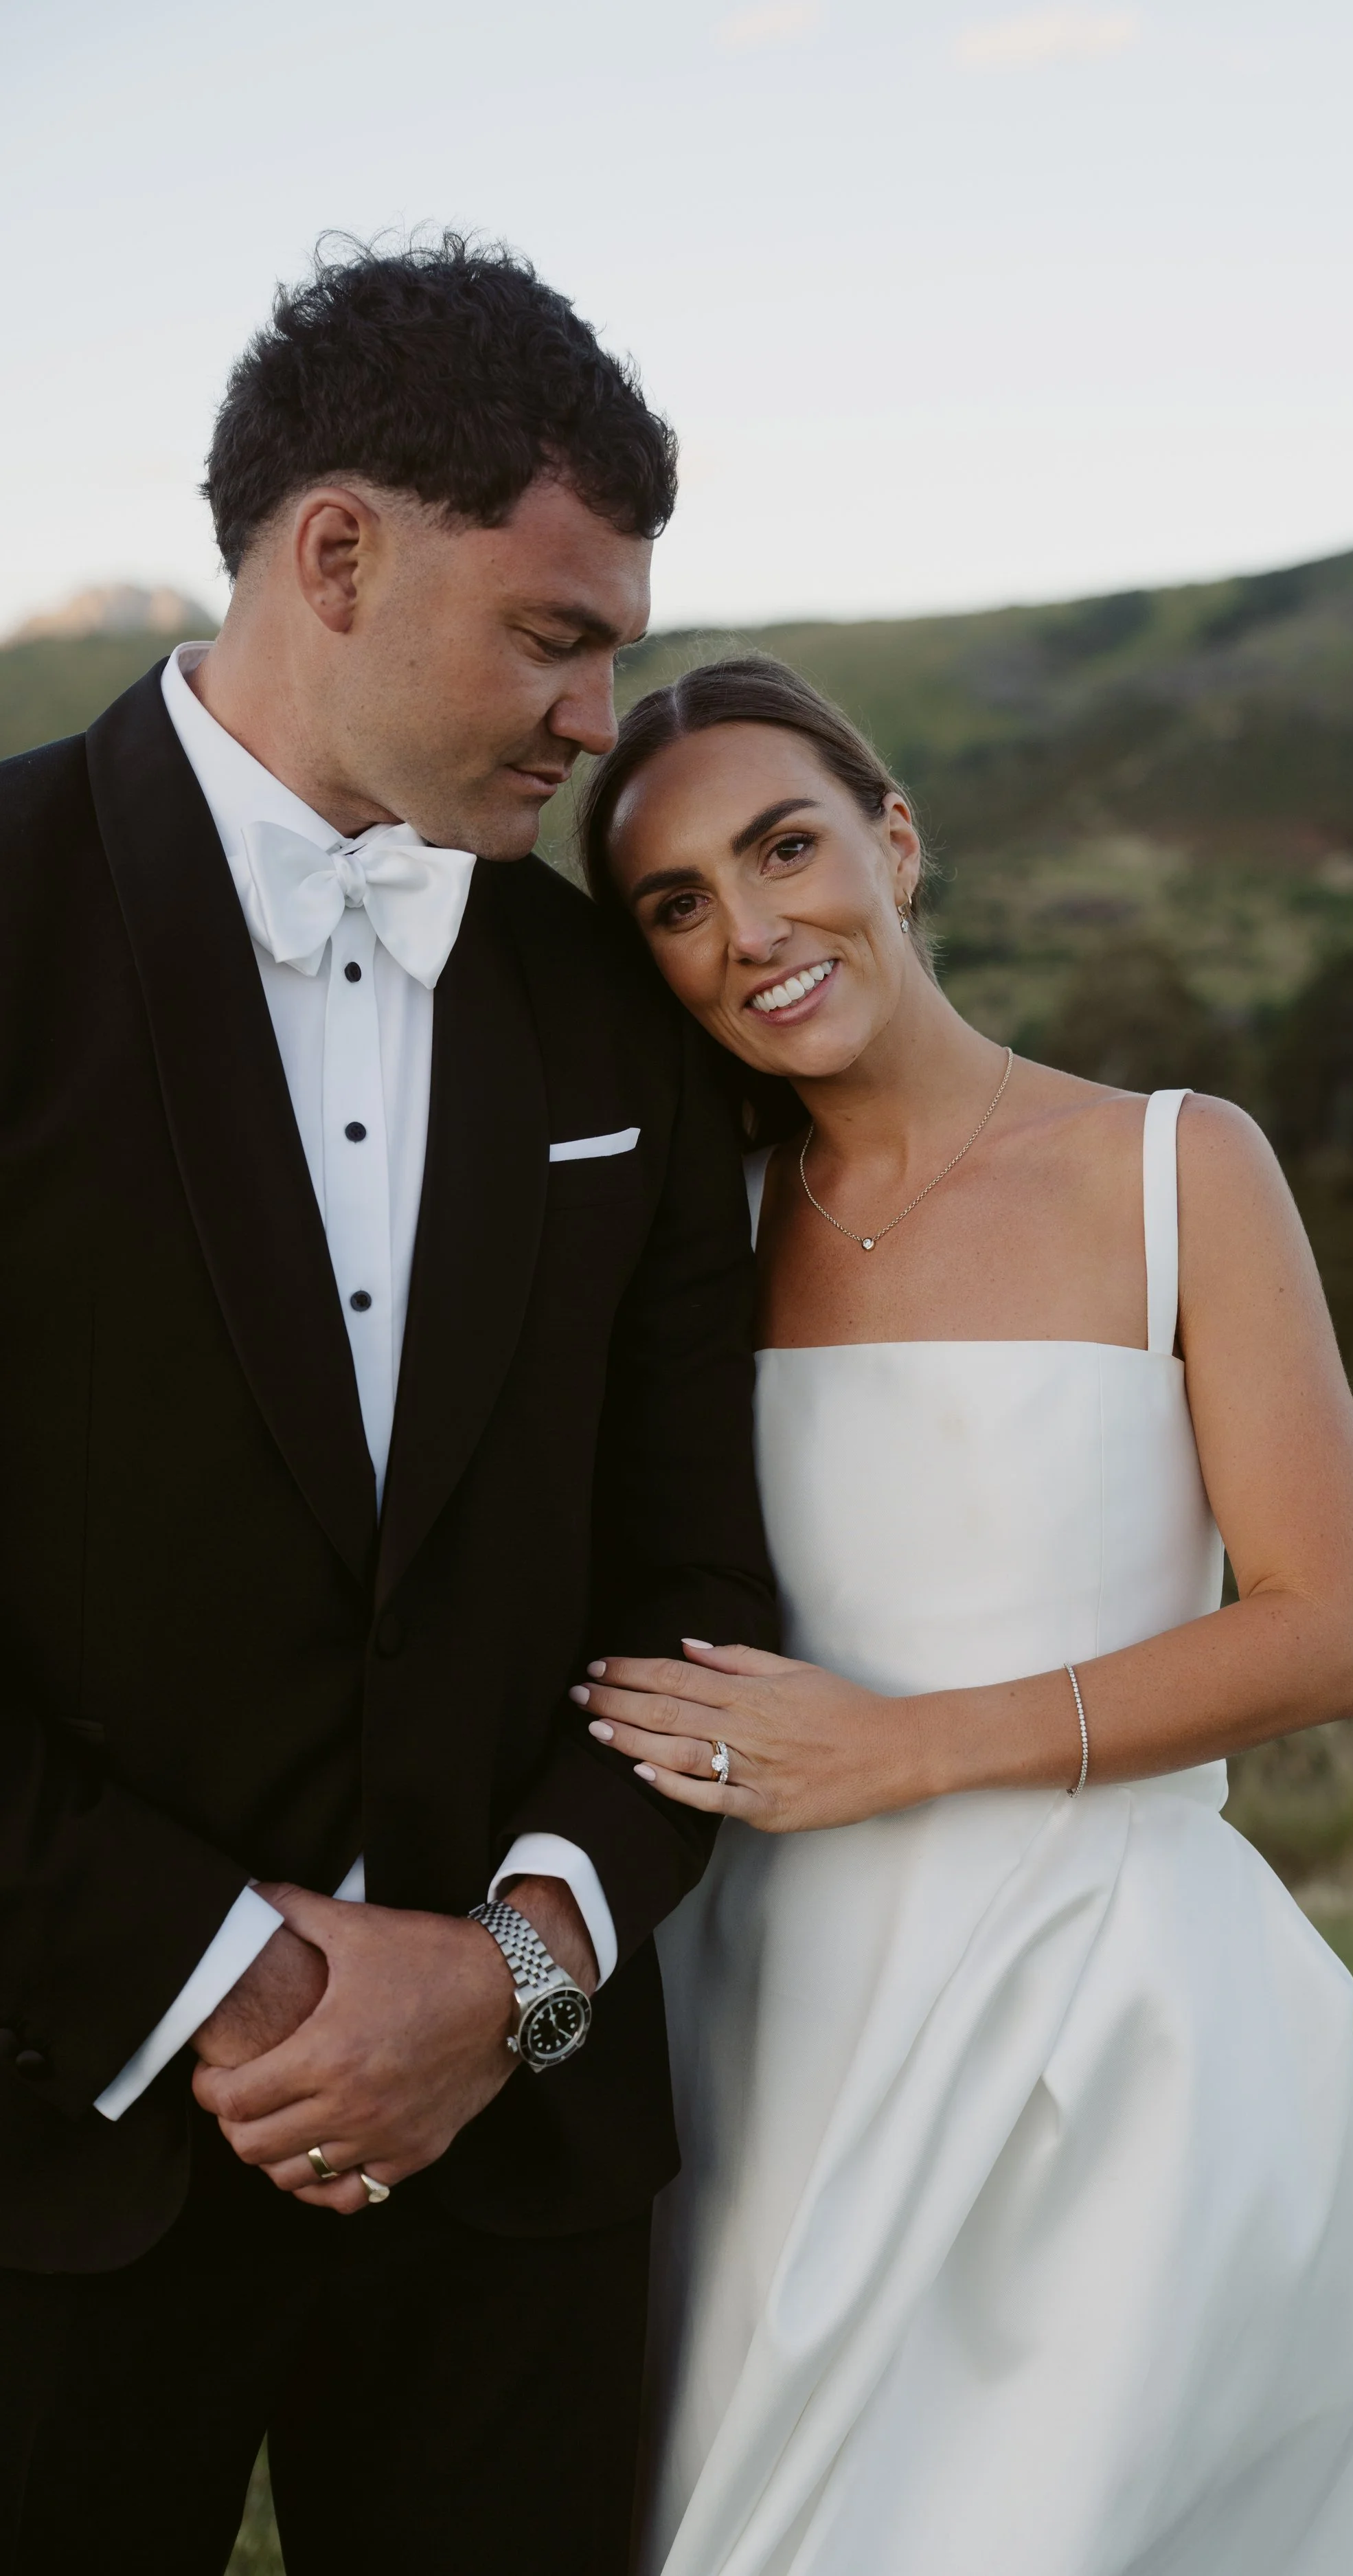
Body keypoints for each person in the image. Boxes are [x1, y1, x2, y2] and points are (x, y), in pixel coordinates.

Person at [0, 240, 774, 2576]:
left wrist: (512, 1967)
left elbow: (696, 1583)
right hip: (49, 2134)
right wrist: (228, 1973)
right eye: (555, 633)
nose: (597, 716)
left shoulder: (608, 1000)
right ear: (335, 555)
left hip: (515, 2190)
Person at [578, 658, 1353, 2576]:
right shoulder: (696, 1229)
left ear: (896, 838)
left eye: (784, 845)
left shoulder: (1177, 1165)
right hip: (762, 2022)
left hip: (1110, 2014)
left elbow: (1327, 1629)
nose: (750, 928)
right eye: (676, 904)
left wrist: (899, 1745)